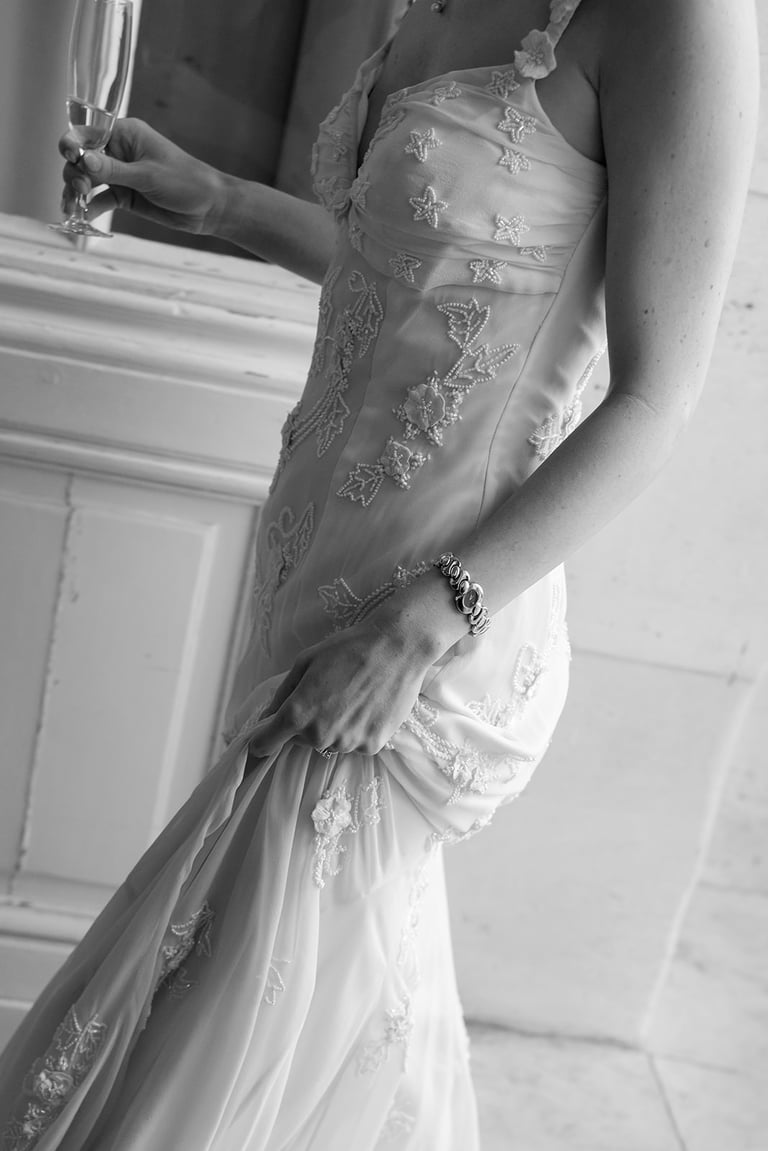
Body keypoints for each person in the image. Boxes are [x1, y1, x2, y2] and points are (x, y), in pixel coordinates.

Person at [0, 0, 758, 1147]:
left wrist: (424, 622)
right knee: (307, 1029)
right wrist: (223, 202)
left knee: (208, 1056)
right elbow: (413, 269)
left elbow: (658, 402)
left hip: (420, 629)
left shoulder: (679, 19)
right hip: (310, 587)